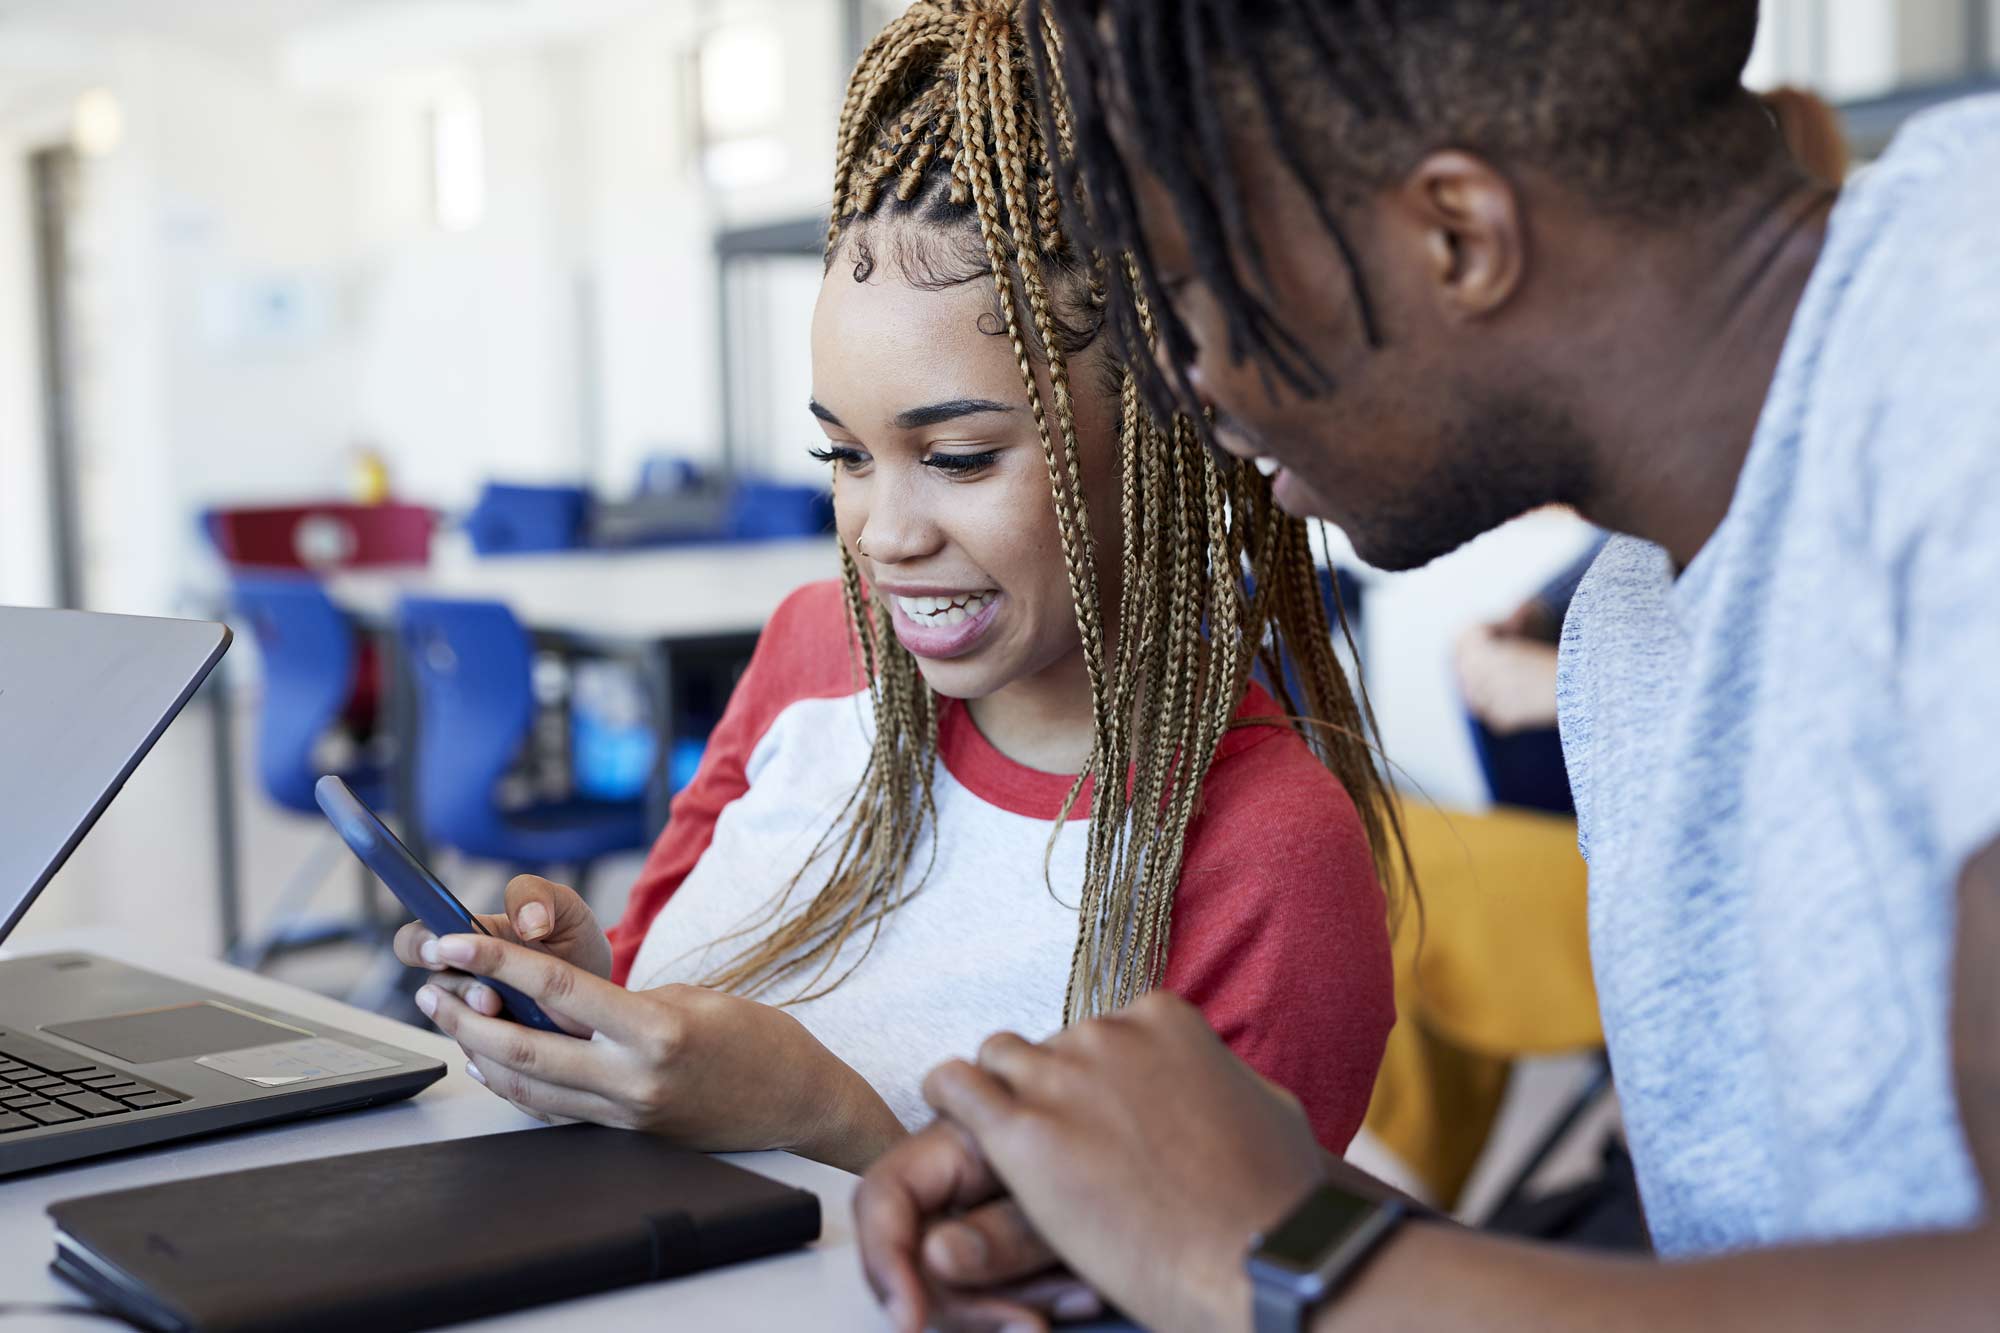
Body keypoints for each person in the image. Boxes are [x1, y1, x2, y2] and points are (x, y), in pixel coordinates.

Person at [854, 3, 2000, 1330]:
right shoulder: (1637, 617)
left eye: (1182, 289)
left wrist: (1280, 1258)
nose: (1175, 379)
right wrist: (1170, 1201)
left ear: (1456, 237)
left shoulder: (1963, 332)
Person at [389, 0, 1407, 1182]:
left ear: (1164, 436)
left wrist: (832, 1115)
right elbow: (684, 1008)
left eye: (960, 457)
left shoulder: (1266, 858)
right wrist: (595, 1007)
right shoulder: (814, 647)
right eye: (845, 457)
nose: (882, 533)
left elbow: (1191, 1290)